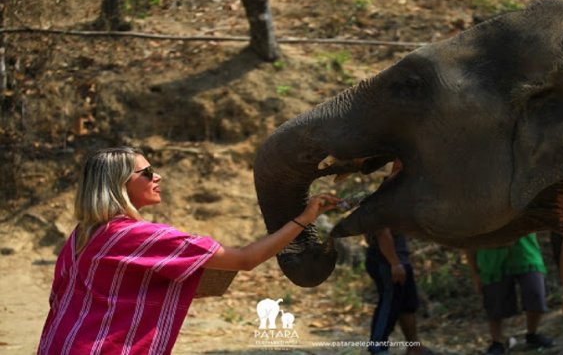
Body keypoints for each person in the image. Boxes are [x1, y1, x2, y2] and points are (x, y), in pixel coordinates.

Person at [37, 147, 340, 355]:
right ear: (119, 184)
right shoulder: (139, 236)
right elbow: (246, 259)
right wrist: (304, 218)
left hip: (60, 344)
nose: (158, 177)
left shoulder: (84, 234)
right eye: (147, 172)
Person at [365, 160, 431, 355]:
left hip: (399, 258)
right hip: (387, 260)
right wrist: (394, 263)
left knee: (407, 304)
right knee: (389, 302)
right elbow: (381, 232)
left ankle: (414, 347)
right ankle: (378, 346)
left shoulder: (399, 194)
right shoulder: (384, 195)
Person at [465, 234, 554, 355]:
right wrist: (475, 273)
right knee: (494, 302)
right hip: (491, 258)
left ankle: (532, 334)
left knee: (535, 293)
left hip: (526, 252)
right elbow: (468, 240)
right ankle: (497, 342)